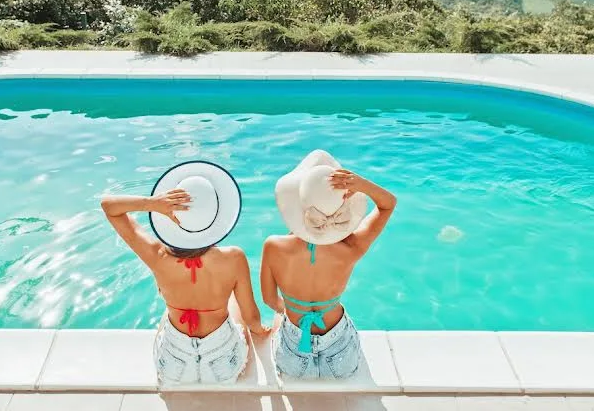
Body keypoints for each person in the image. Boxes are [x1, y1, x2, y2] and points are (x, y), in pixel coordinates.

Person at [101, 161, 269, 385]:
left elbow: (109, 207)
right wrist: (259, 330)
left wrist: (153, 203)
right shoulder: (233, 258)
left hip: (174, 367)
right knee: (234, 305)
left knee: (167, 315)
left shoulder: (156, 255)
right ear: (216, 221)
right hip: (221, 366)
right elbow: (251, 318)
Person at [261, 150, 397, 379]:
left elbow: (269, 299)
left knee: (279, 317)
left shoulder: (274, 246)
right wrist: (362, 185)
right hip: (340, 353)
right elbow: (388, 204)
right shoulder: (352, 247)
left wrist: (287, 311)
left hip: (294, 354)